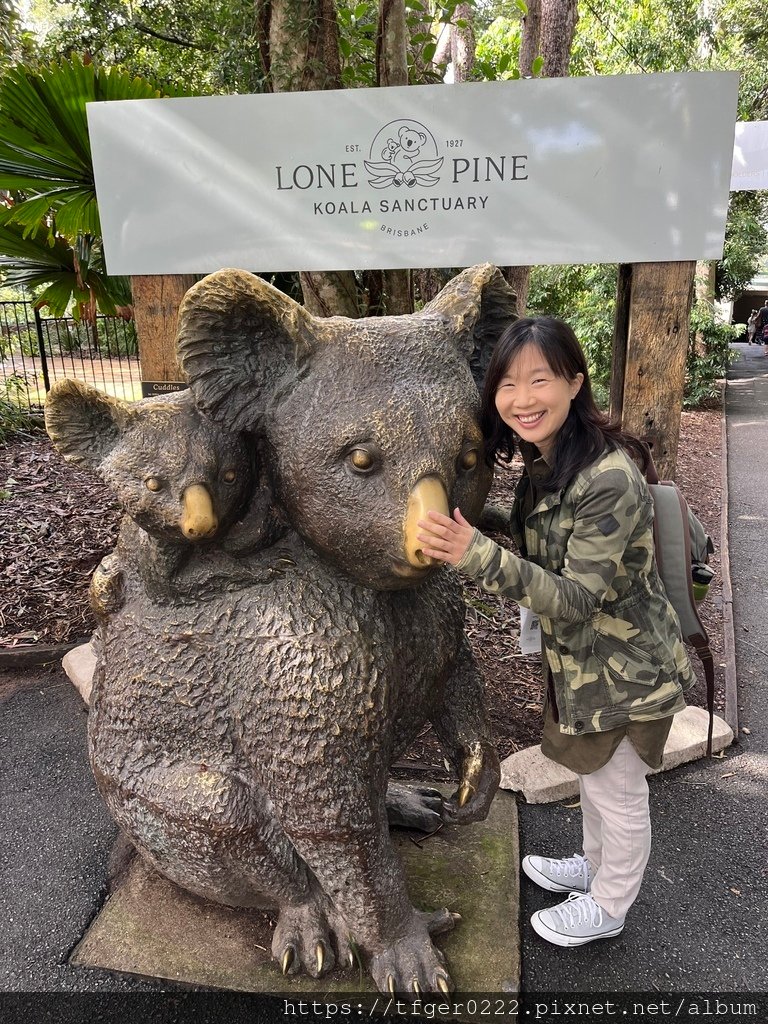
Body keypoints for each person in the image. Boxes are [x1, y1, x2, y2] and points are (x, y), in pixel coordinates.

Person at [417, 316, 695, 948]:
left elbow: (574, 597)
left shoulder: (608, 479)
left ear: (574, 383)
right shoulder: (553, 461)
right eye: (508, 385)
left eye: (539, 380)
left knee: (618, 791)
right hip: (584, 666)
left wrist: (472, 554)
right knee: (596, 778)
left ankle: (610, 903)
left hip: (626, 670)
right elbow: (539, 545)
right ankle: (596, 869)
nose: (521, 400)